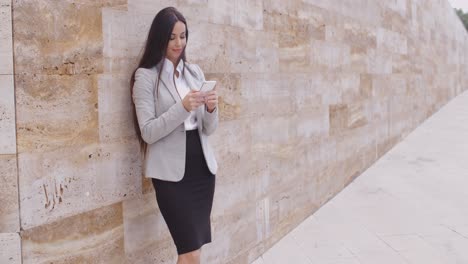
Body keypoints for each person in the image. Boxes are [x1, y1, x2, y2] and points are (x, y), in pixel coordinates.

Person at [130, 7, 218, 264]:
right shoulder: (145, 77)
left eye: (183, 36)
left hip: (201, 169)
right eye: (172, 37)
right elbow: (147, 131)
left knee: (194, 252)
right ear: (160, 38)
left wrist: (211, 108)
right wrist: (182, 108)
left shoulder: (195, 73)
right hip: (171, 176)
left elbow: (208, 129)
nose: (179, 43)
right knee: (189, 252)